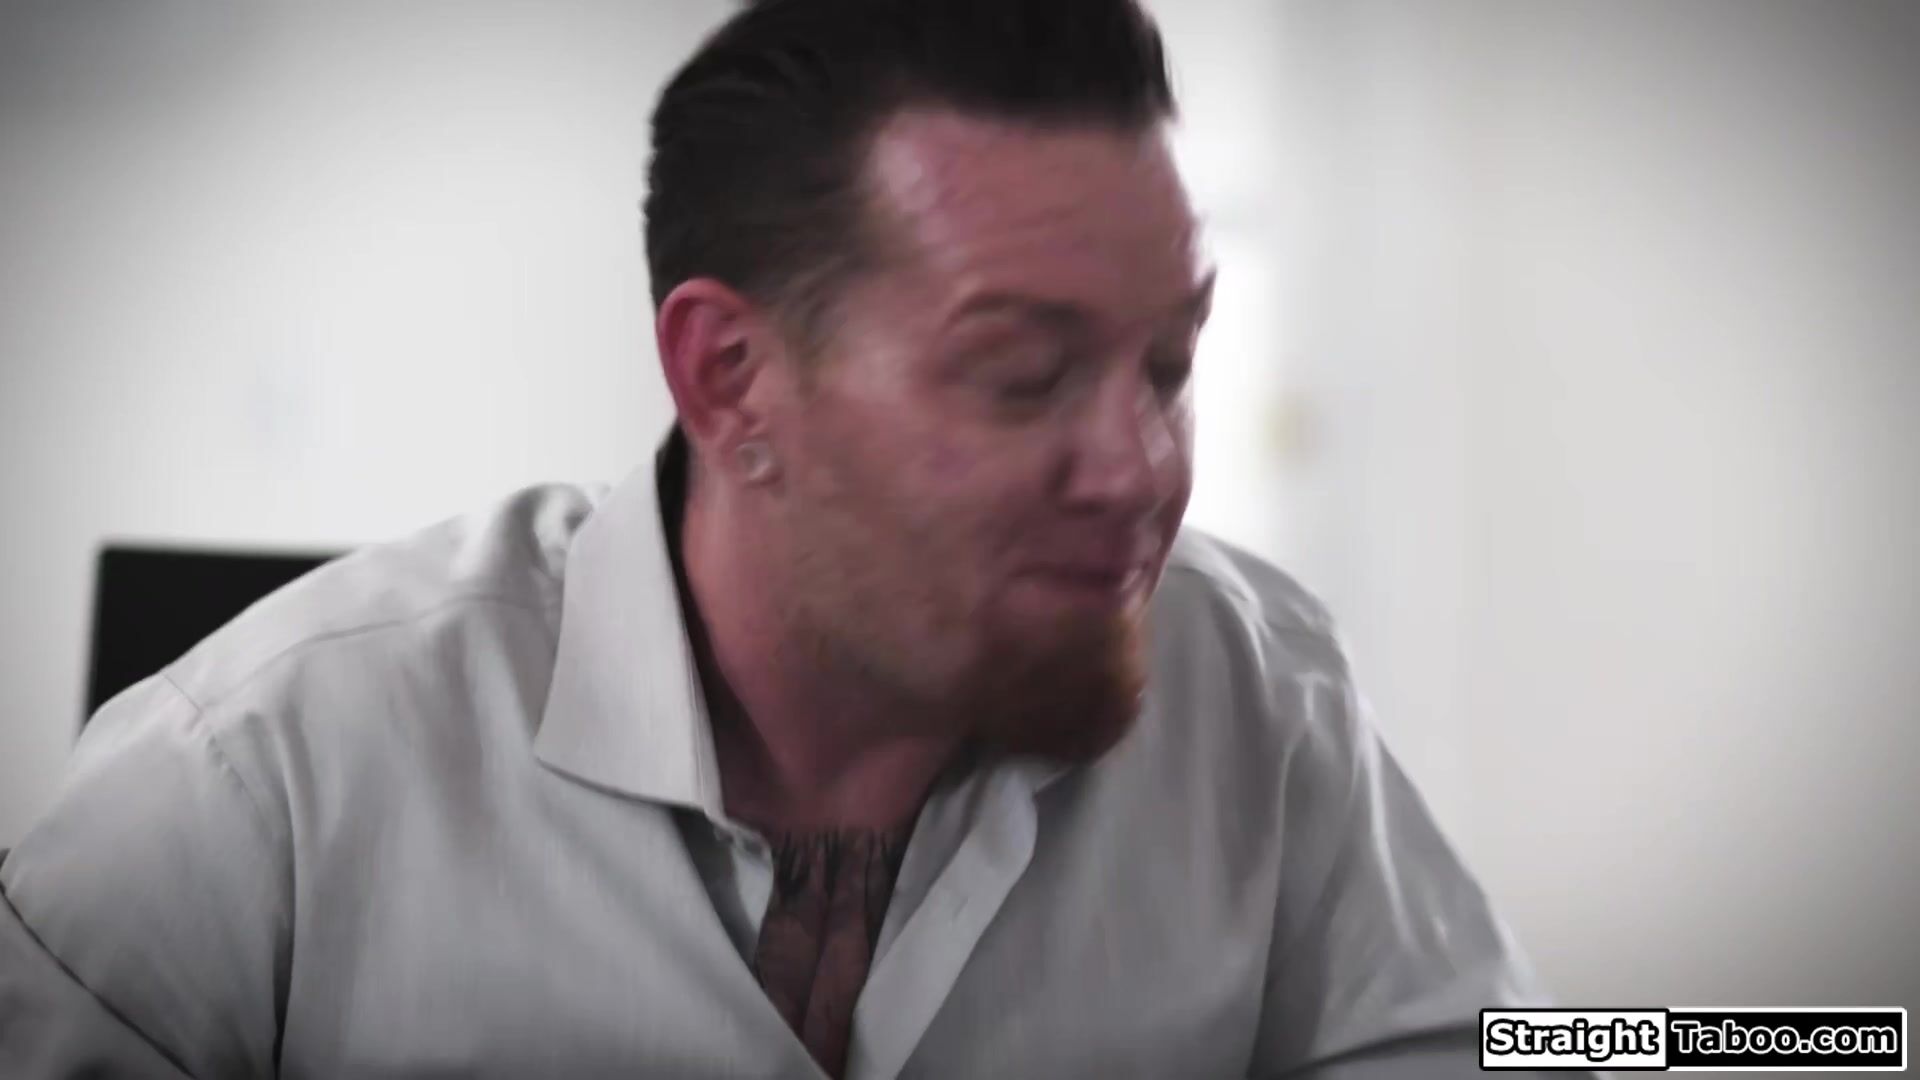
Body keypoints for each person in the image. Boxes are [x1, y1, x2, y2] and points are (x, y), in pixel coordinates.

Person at [0, 1, 1588, 1077]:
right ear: (729, 378)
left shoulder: (1262, 693)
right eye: (1023, 374)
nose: (1144, 469)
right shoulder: (254, 784)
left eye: (1170, 364)